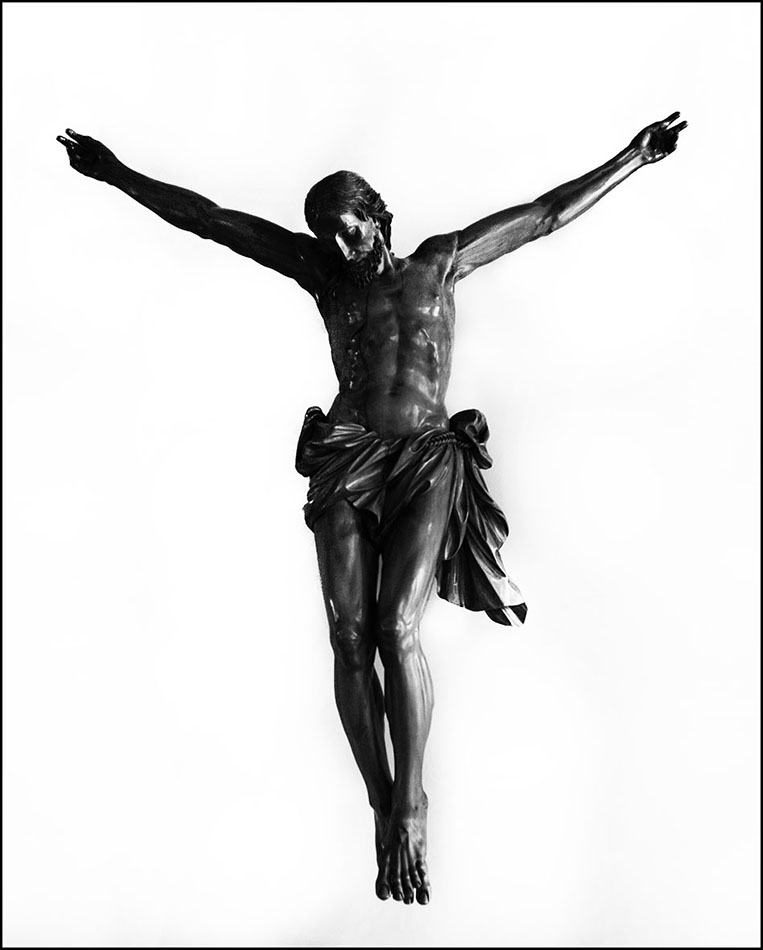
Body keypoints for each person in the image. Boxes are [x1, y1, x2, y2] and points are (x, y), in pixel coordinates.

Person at [57, 113, 687, 905]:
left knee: (395, 626)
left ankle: (411, 805)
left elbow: (543, 215)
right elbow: (211, 219)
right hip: (348, 450)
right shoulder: (321, 275)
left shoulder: (439, 264)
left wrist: (633, 156)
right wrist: (116, 173)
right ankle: (380, 807)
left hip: (424, 452)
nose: (337, 244)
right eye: (324, 233)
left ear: (377, 218)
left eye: (347, 229)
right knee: (348, 634)